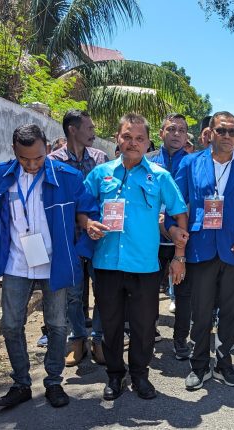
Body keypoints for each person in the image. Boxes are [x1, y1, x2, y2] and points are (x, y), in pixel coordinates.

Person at [0, 124, 99, 409]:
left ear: (47, 148)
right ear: (14, 151)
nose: (32, 164)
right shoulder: (1, 175)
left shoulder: (68, 177)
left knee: (57, 325)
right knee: (11, 325)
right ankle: (21, 383)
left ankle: (53, 382)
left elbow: (86, 212)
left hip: (55, 263)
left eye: (38, 157)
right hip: (15, 263)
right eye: (25, 159)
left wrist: (85, 232)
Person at [83, 113, 188, 401]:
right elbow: (82, 207)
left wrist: (179, 255)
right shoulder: (100, 174)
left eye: (139, 138)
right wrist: (86, 223)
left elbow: (180, 212)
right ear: (117, 138)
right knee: (111, 325)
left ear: (147, 142)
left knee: (144, 327)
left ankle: (140, 375)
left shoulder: (160, 176)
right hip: (107, 263)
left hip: (144, 266)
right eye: (127, 137)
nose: (133, 143)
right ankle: (115, 376)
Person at [172, 111, 234, 391]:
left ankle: (224, 364)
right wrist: (178, 244)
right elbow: (176, 206)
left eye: (232, 132)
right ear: (210, 133)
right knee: (200, 313)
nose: (227, 136)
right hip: (200, 250)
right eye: (222, 131)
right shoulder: (190, 163)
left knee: (230, 314)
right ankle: (199, 366)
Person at [48, 110, 109, 367]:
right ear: (73, 129)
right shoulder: (52, 162)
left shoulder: (100, 159)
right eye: (89, 127)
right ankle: (78, 339)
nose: (93, 131)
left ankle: (99, 339)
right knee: (73, 293)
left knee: (103, 289)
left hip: (98, 236)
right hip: (67, 238)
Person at [146, 113, 192, 360]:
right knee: (148, 290)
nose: (176, 134)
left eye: (181, 130)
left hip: (181, 239)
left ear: (186, 136)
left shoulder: (194, 162)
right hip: (150, 238)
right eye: (171, 129)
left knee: (183, 292)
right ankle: (148, 332)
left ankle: (180, 339)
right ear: (161, 132)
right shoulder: (147, 161)